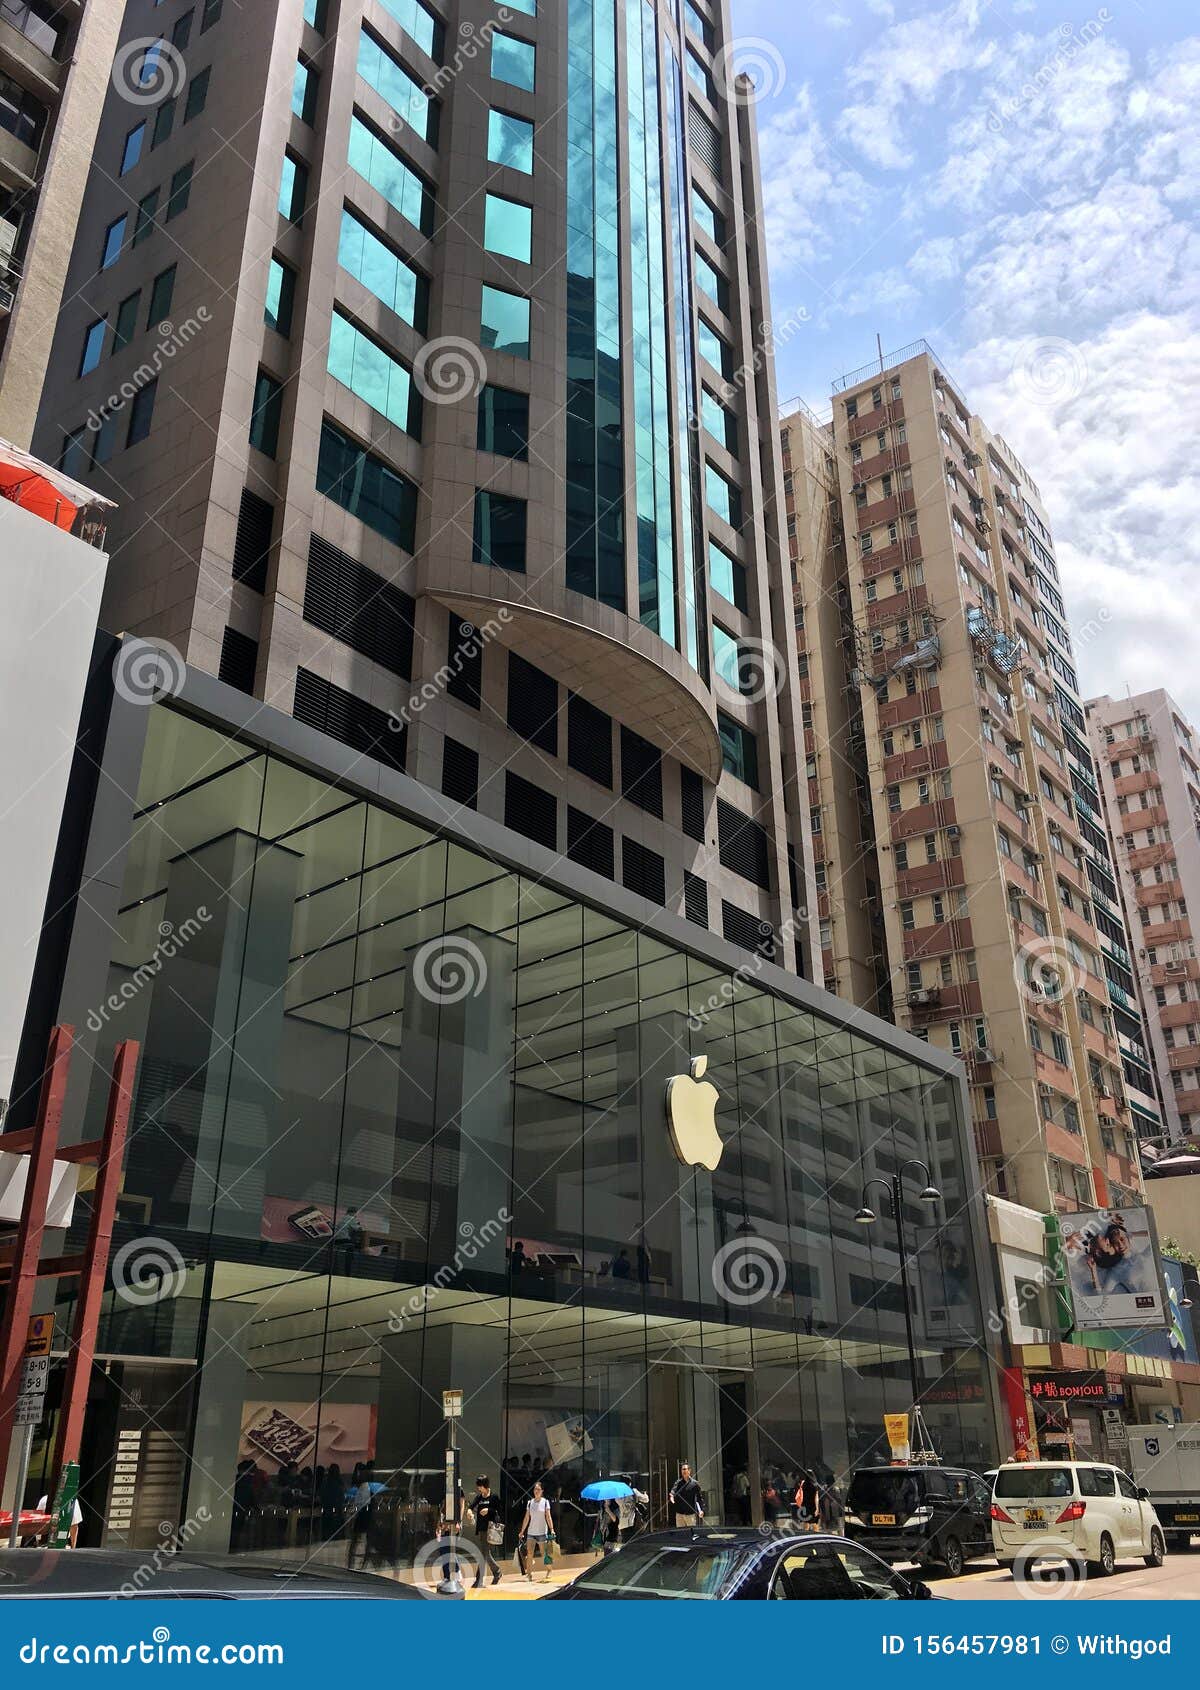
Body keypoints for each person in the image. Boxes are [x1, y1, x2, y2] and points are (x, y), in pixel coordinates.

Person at [467, 1474, 504, 1587]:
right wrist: (469, 1512)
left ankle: (479, 1580)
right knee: (485, 1554)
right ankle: (497, 1572)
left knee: (482, 1554)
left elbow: (500, 1511)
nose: (479, 1489)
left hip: (491, 1529)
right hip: (482, 1529)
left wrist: (489, 1510)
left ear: (485, 1485)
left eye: (480, 1486)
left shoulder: (494, 1497)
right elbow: (471, 1506)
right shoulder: (479, 1498)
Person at [517, 1479, 555, 1582]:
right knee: (529, 1553)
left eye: (538, 1489)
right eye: (535, 1489)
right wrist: (522, 1531)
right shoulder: (530, 1503)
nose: (536, 1491)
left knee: (543, 1554)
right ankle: (529, 1574)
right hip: (531, 1532)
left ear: (542, 1491)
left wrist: (551, 1529)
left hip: (542, 1532)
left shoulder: (545, 1502)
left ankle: (549, 1569)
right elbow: (526, 1518)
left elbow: (548, 1517)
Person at [669, 1462, 705, 1527]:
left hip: (690, 1514)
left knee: (691, 1534)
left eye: (685, 1469)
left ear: (689, 1470)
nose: (684, 1471)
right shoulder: (678, 1482)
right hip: (680, 1514)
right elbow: (673, 1491)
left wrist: (701, 1510)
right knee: (681, 1534)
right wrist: (671, 1496)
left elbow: (699, 1499)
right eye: (682, 1469)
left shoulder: (695, 1484)